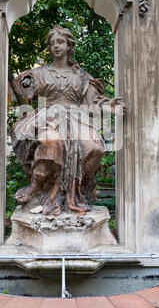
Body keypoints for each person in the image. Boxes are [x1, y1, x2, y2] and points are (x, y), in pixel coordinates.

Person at [11, 25, 125, 216]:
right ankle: (36, 185)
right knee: (50, 141)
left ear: (69, 46)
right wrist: (25, 83)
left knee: (96, 148)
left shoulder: (80, 75)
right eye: (53, 42)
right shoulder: (41, 73)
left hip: (76, 117)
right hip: (48, 116)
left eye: (61, 42)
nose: (56, 46)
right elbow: (24, 87)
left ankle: (77, 187)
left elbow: (93, 101)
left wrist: (109, 106)